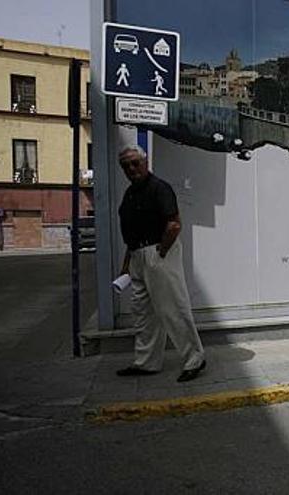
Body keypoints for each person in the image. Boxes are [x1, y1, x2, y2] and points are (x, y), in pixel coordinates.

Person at [116, 145, 207, 382]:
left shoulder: (159, 188)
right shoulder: (129, 194)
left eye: (135, 163)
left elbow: (174, 224)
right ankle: (146, 362)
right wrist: (127, 263)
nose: (131, 168)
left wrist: (162, 251)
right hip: (137, 254)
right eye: (126, 165)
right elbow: (131, 235)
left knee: (173, 308)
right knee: (144, 313)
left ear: (145, 162)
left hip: (157, 250)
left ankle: (195, 358)